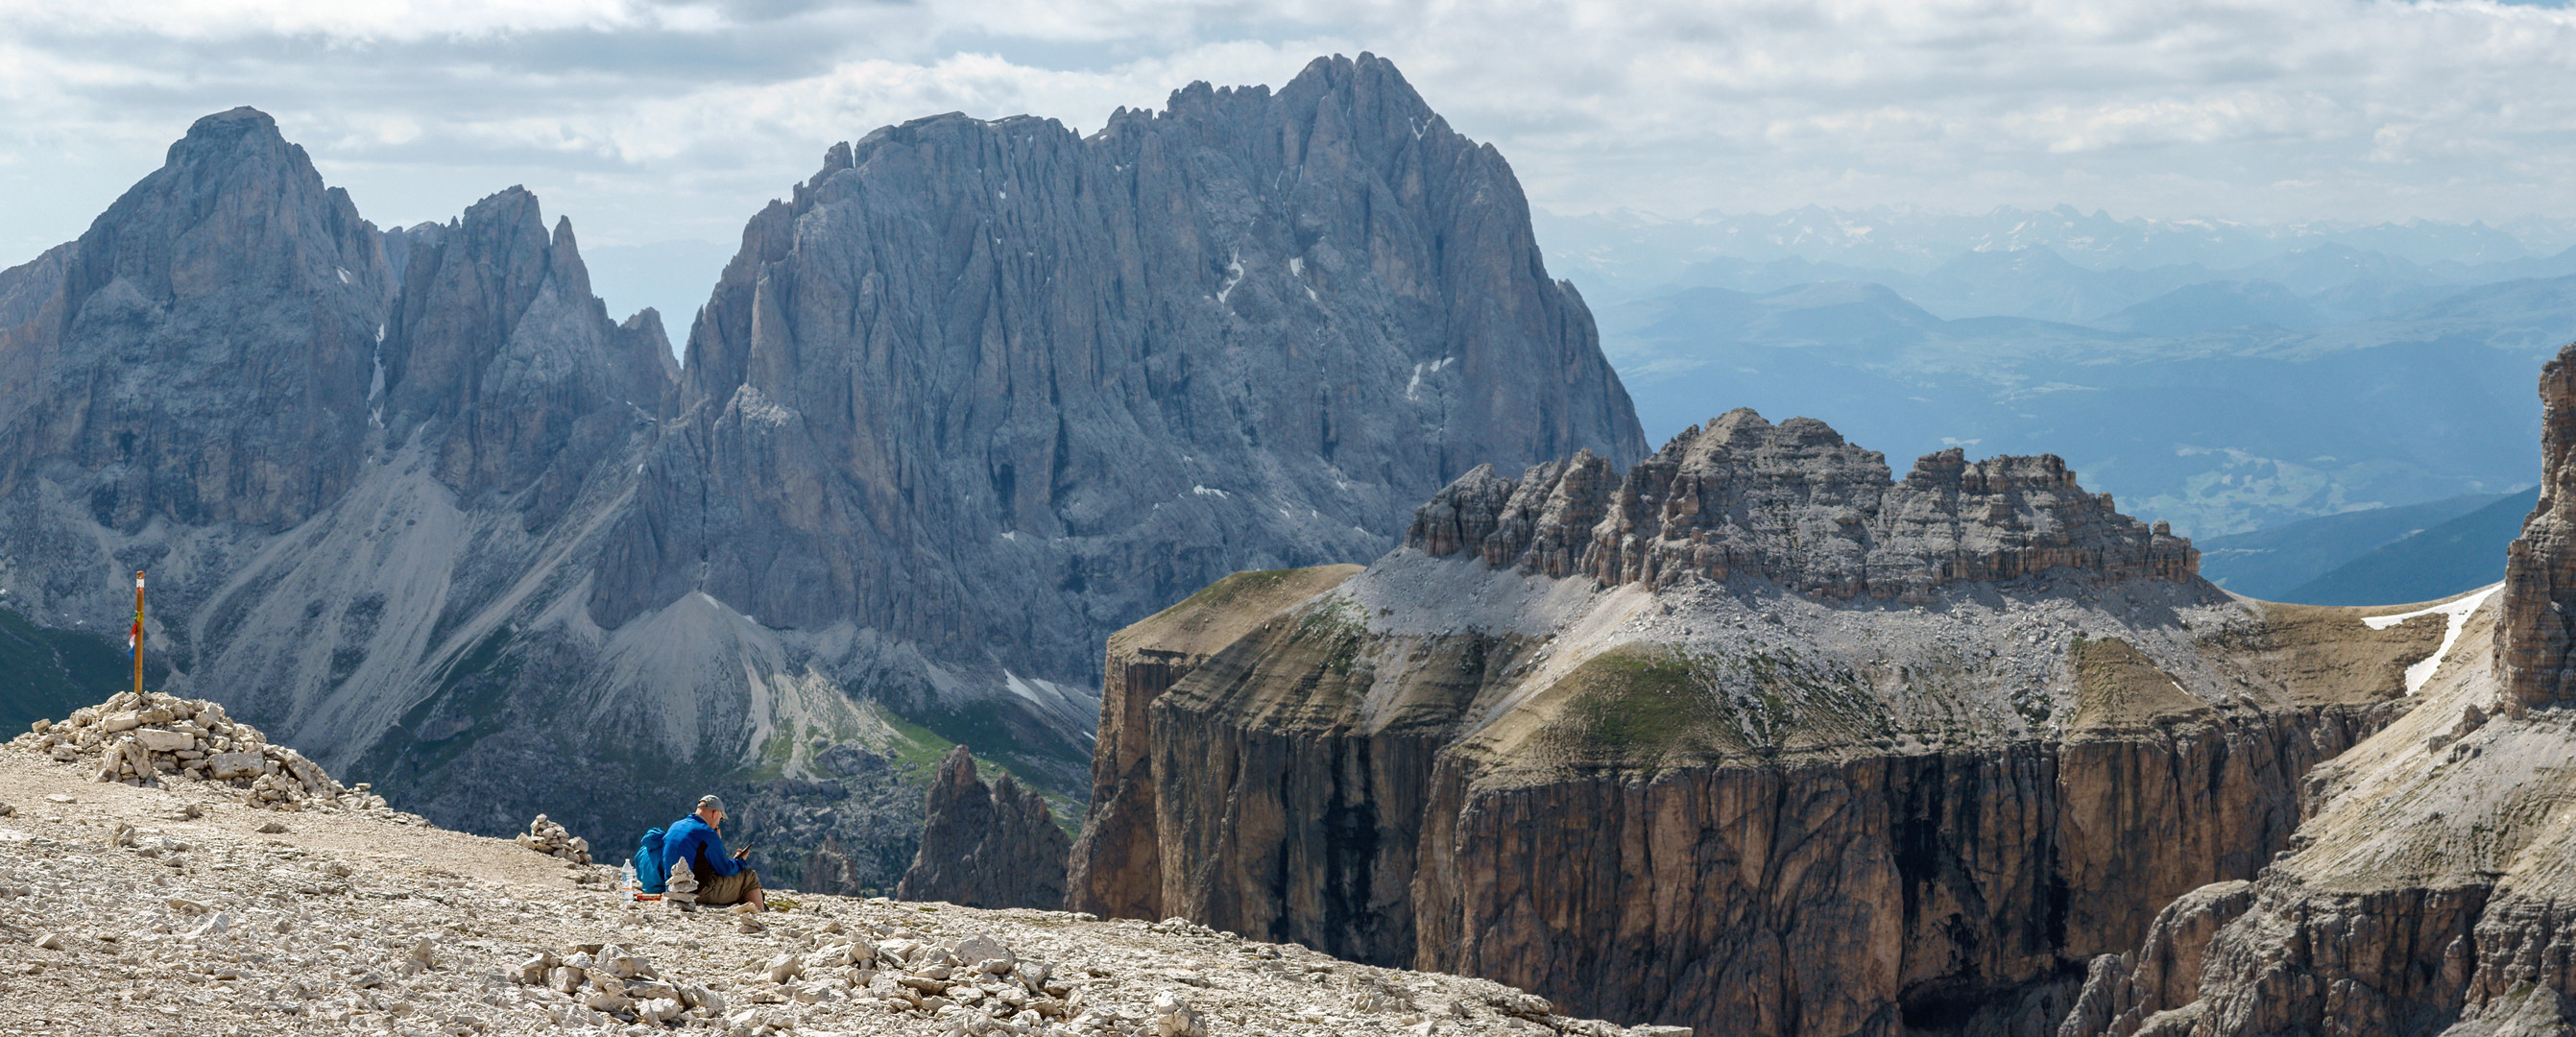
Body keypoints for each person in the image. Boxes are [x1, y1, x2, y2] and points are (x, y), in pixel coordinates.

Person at [661, 794, 763, 911]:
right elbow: (724, 870)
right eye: (720, 818)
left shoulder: (675, 826)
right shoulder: (707, 833)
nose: (719, 823)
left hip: (672, 890)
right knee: (749, 876)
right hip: (696, 892)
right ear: (715, 813)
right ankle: (761, 915)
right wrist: (740, 861)